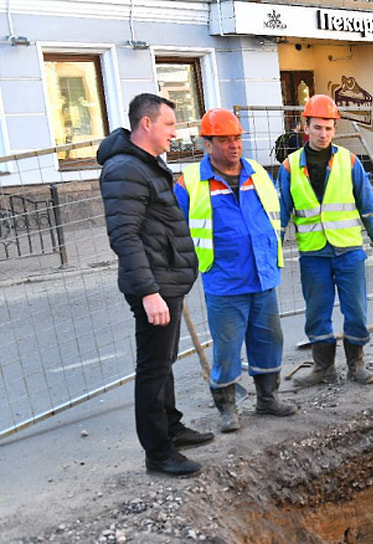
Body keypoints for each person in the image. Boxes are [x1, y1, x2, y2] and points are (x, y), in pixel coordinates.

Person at [97, 93, 214, 476]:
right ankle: (159, 452)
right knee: (152, 367)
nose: (174, 132)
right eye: (168, 124)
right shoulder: (126, 170)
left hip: (165, 279)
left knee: (164, 363)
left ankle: (171, 426)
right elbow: (125, 236)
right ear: (146, 124)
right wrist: (149, 292)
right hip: (153, 285)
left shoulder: (147, 165)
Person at [174, 108, 296, 434]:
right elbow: (174, 232)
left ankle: (267, 398)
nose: (234, 145)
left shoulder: (256, 172)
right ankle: (227, 408)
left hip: (262, 274)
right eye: (225, 139)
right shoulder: (191, 184)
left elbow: (273, 215)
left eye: (237, 138)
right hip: (225, 280)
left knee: (269, 340)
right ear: (207, 144)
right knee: (227, 348)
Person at [277, 94, 373, 386]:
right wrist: (274, 252)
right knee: (317, 313)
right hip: (313, 254)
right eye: (318, 127)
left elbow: (368, 206)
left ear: (335, 128)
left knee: (355, 309)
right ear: (306, 126)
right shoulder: (290, 167)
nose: (323, 134)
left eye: (329, 128)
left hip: (348, 252)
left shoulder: (349, 161)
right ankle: (324, 368)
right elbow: (279, 215)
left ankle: (356, 365)